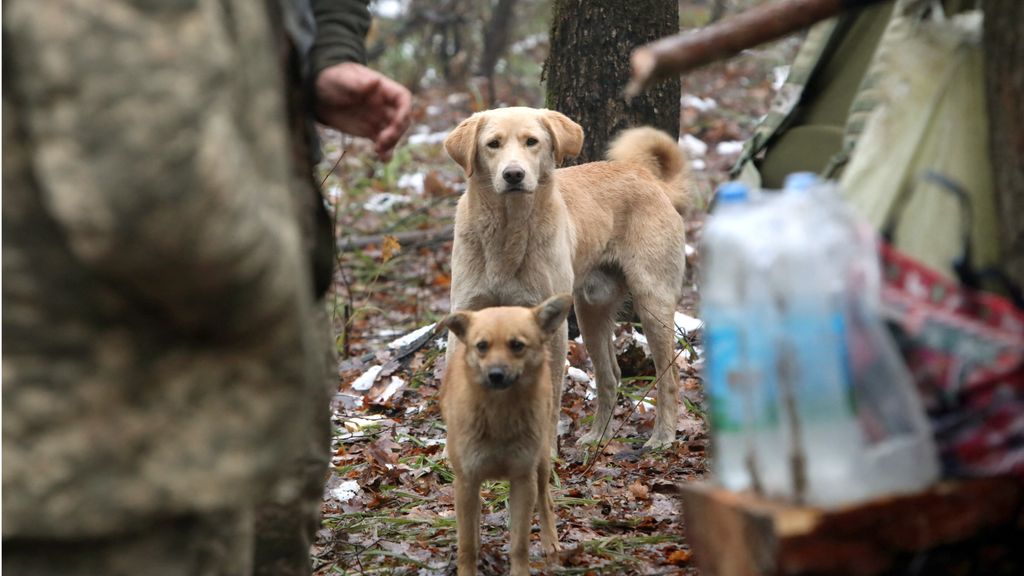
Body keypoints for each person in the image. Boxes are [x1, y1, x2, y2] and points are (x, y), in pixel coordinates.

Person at [2, 1, 411, 575]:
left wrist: (322, 57)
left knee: (272, 531)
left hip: (189, 400)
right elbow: (153, 195)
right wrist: (279, 299)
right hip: (101, 434)